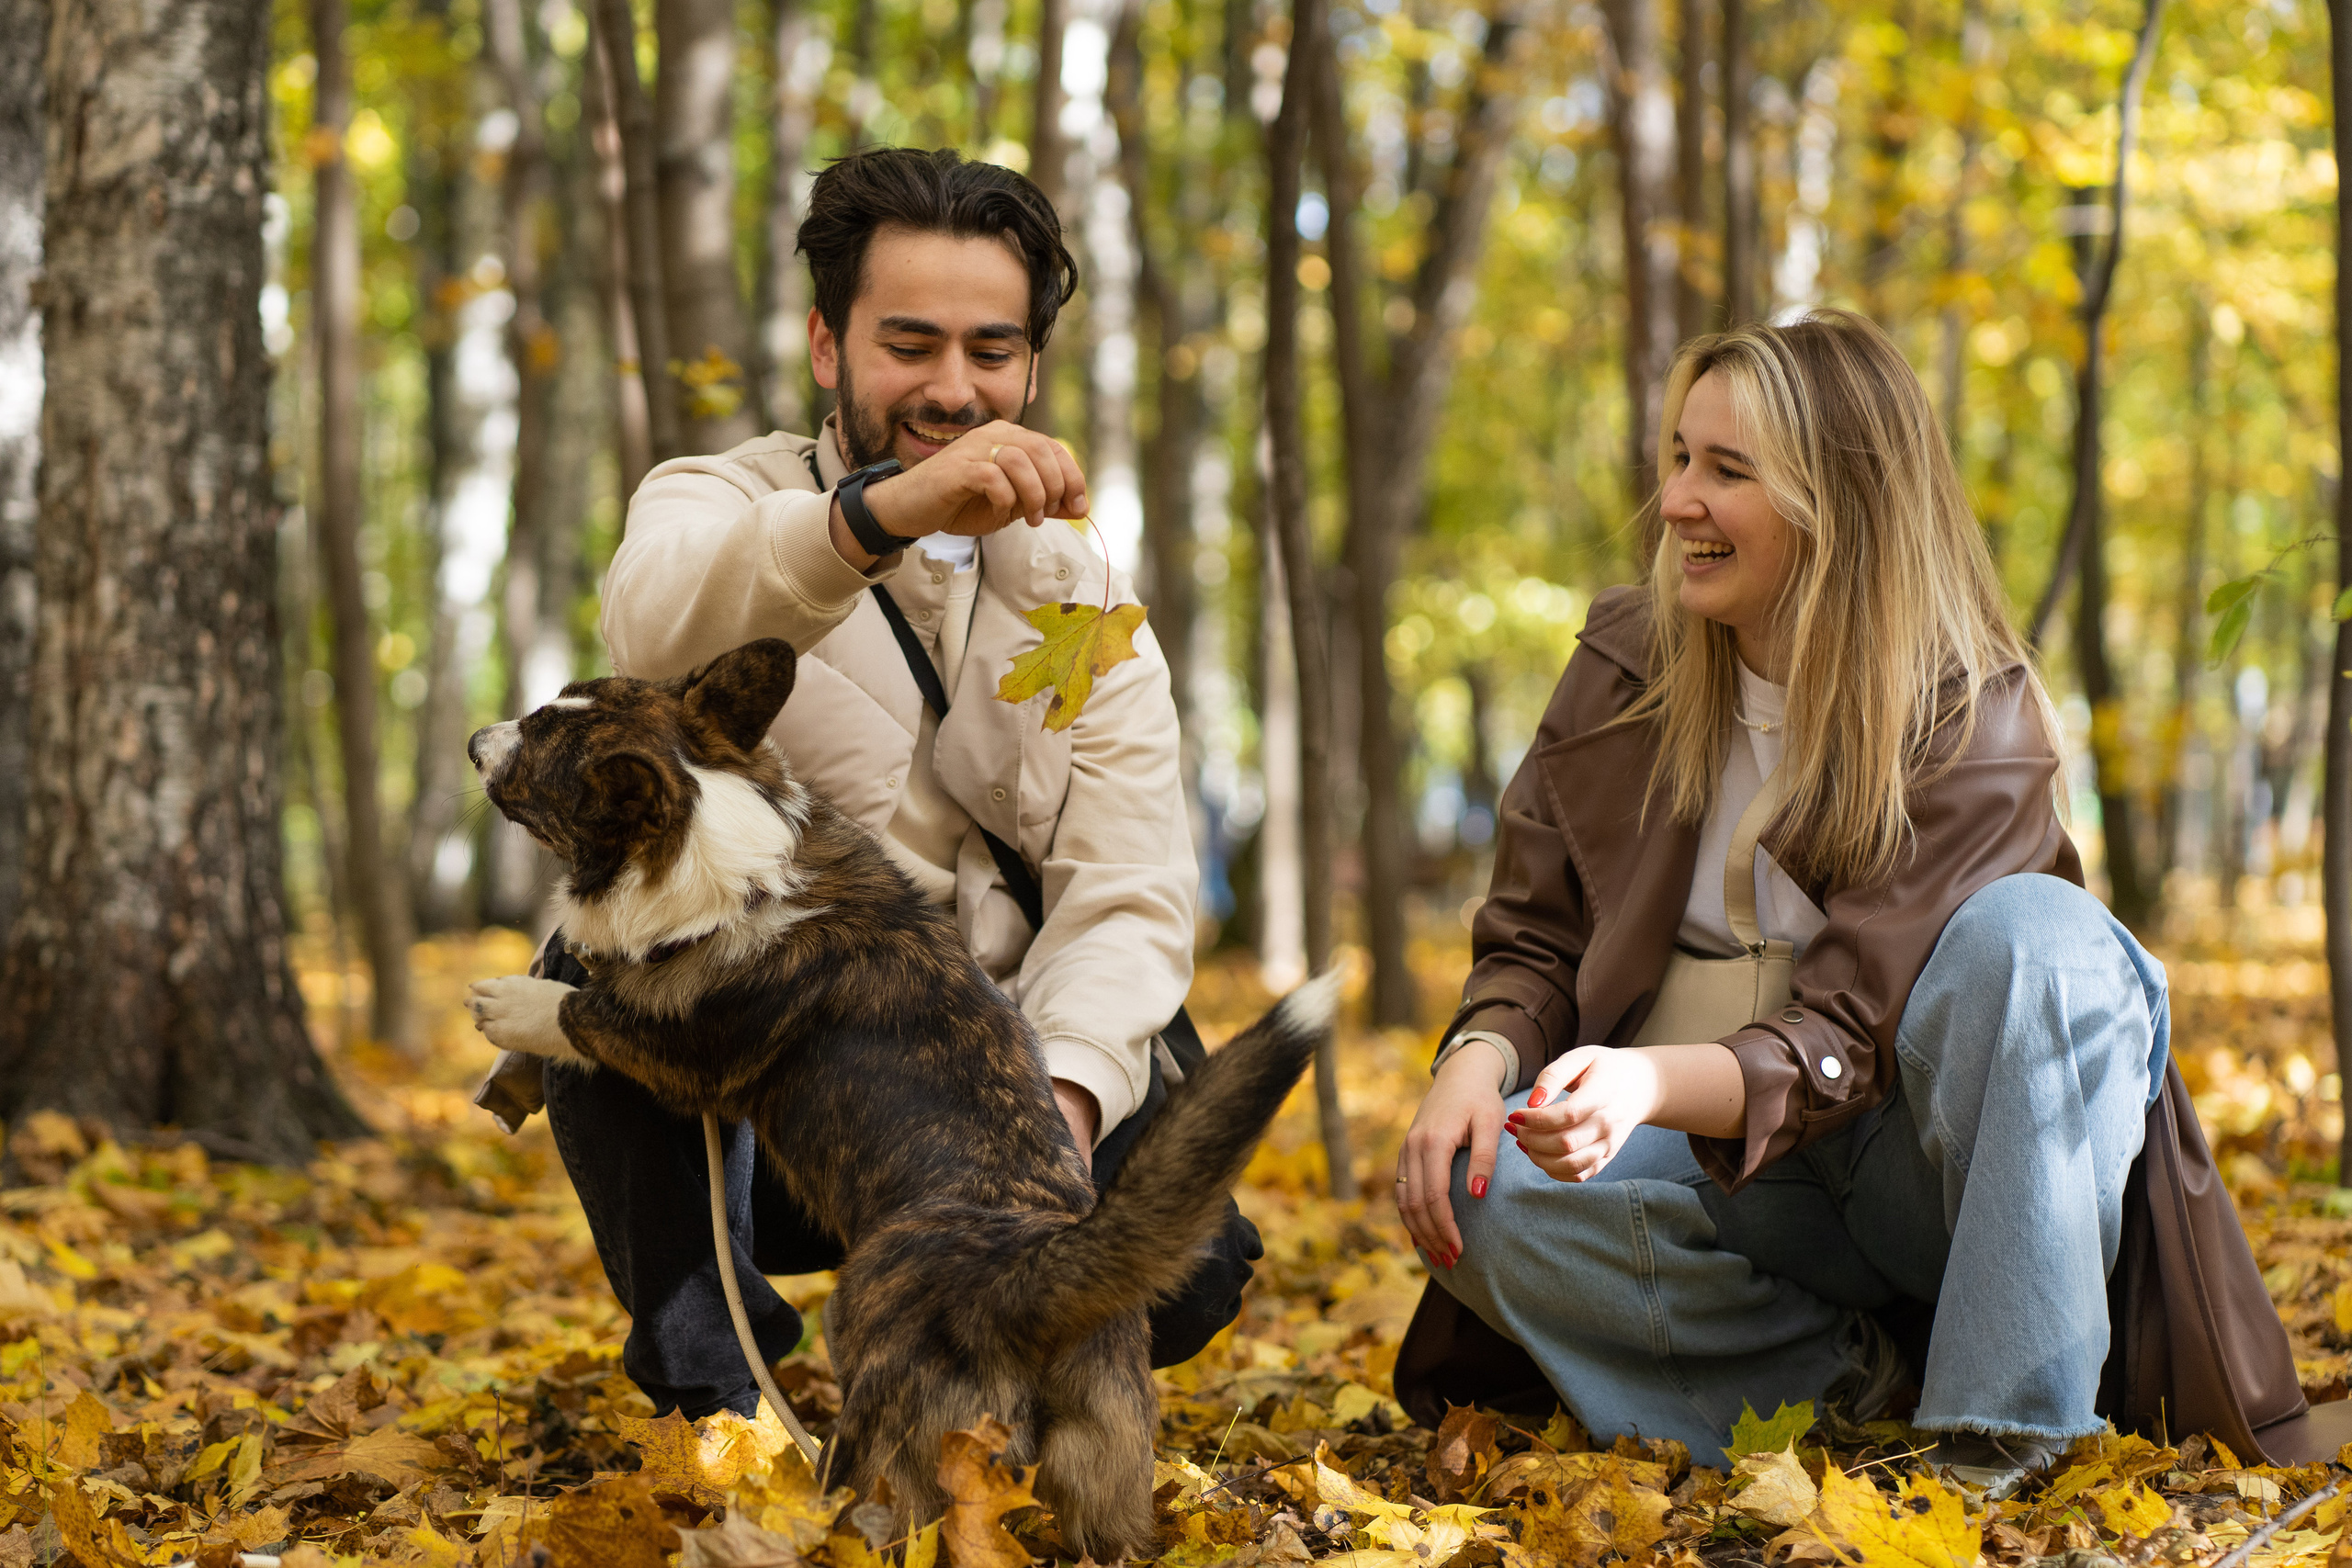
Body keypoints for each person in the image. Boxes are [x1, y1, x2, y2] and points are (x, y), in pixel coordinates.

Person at [1387, 310, 2317, 1495]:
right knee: (1490, 1202)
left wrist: (1647, 1080)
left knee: (2048, 939)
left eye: (1729, 471)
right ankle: (1850, 1388)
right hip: (1719, 1173)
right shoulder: (1625, 662)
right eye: (1679, 456)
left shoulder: (1975, 714)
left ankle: (2003, 1442)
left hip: (1911, 1168)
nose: (1678, 501)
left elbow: (1846, 1038)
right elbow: (1534, 935)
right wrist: (1474, 1060)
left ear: (1844, 504)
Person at [473, 146, 1257, 1421]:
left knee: (1197, 1273)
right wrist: (875, 517)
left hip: (1004, 1087)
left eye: (992, 351)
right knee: (592, 989)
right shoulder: (715, 499)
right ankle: (716, 1392)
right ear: (829, 347)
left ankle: (979, 1367)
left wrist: (1045, 1130)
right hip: (774, 1077)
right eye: (911, 344)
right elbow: (655, 622)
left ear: (1032, 366)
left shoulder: (1092, 603)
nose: (955, 389)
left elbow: (1127, 892)